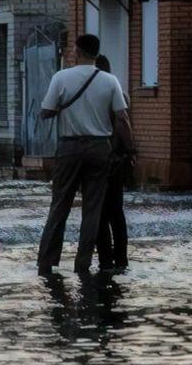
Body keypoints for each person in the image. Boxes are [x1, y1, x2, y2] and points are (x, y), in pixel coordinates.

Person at [36, 34, 135, 277]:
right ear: (96, 53)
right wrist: (131, 150)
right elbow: (122, 119)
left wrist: (61, 108)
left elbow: (45, 112)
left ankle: (47, 262)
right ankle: (83, 264)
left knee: (60, 206)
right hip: (100, 149)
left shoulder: (61, 77)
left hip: (69, 148)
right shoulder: (110, 81)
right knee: (93, 209)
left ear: (77, 51)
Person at [93, 54, 131, 273]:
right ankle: (121, 259)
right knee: (116, 211)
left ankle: (105, 261)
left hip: (97, 158)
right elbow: (124, 124)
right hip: (116, 159)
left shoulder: (91, 96)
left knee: (100, 212)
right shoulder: (120, 94)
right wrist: (131, 151)